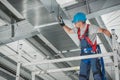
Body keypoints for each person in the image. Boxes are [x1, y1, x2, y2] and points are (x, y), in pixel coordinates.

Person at [58, 12, 111, 80]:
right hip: (84, 55)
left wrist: (112, 37)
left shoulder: (91, 27)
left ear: (80, 21)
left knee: (97, 74)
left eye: (75, 22)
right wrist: (62, 24)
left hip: (93, 54)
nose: (74, 24)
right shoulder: (77, 29)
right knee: (82, 76)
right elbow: (69, 31)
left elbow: (104, 30)